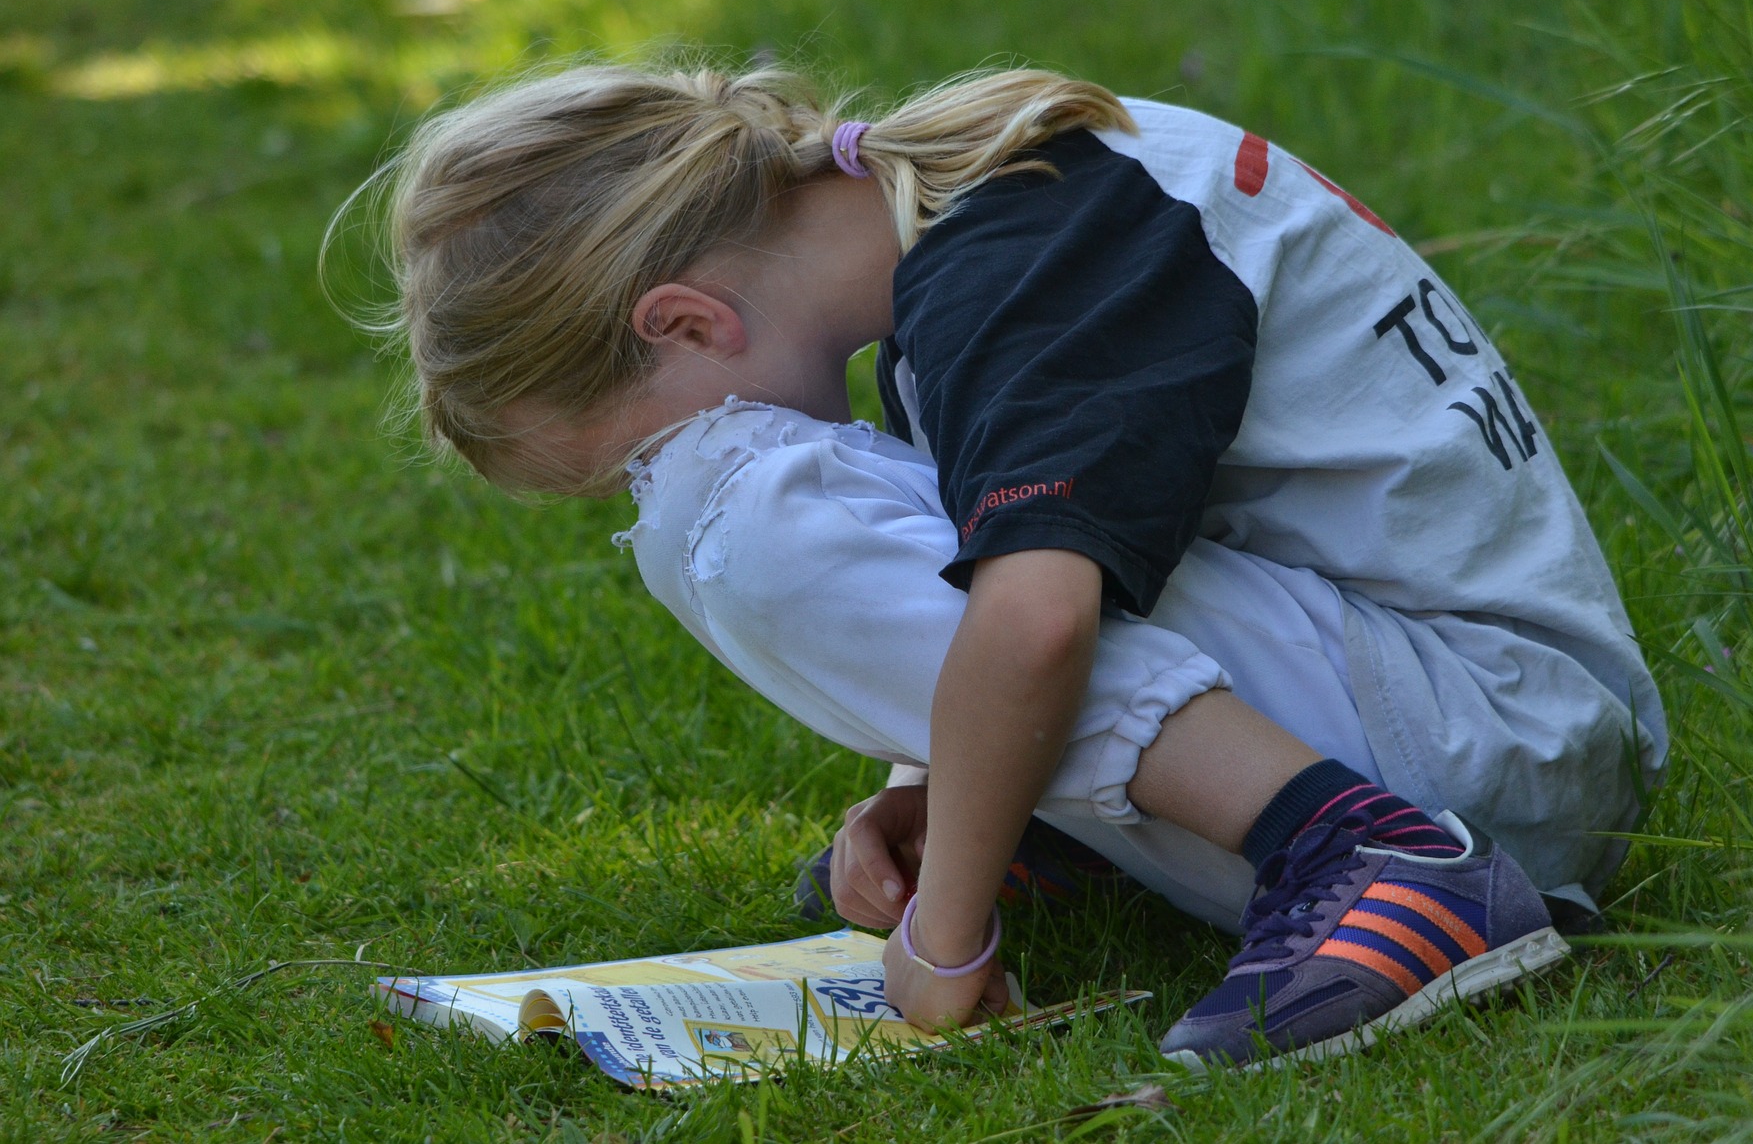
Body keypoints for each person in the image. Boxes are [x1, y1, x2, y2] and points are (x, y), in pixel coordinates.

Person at [352, 58, 1667, 1068]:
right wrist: (946, 785)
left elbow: (1037, 619)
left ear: (687, 322)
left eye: (627, 452)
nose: (651, 481)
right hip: (1455, 718)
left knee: (734, 514)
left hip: (1477, 748)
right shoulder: (971, 226)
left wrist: (947, 932)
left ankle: (1366, 859)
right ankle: (1209, 829)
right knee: (889, 555)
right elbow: (1054, 534)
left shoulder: (1024, 242)